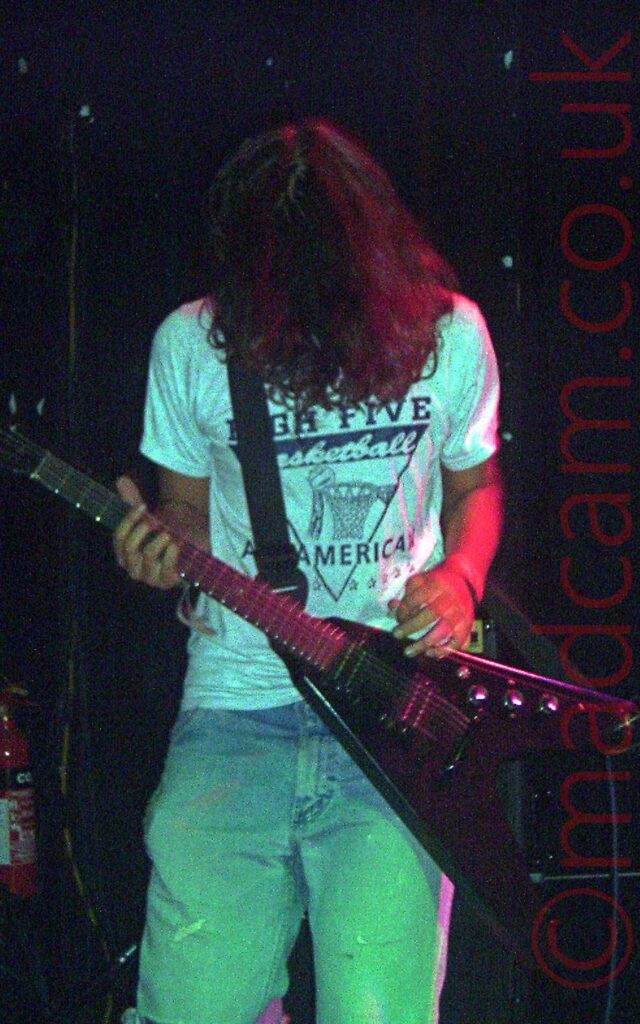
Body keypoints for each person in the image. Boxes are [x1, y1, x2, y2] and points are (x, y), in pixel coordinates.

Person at [115, 118, 502, 1024]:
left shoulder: (451, 336)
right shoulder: (194, 343)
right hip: (232, 707)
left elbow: (476, 487)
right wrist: (154, 546)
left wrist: (461, 580)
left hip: (391, 725)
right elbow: (183, 508)